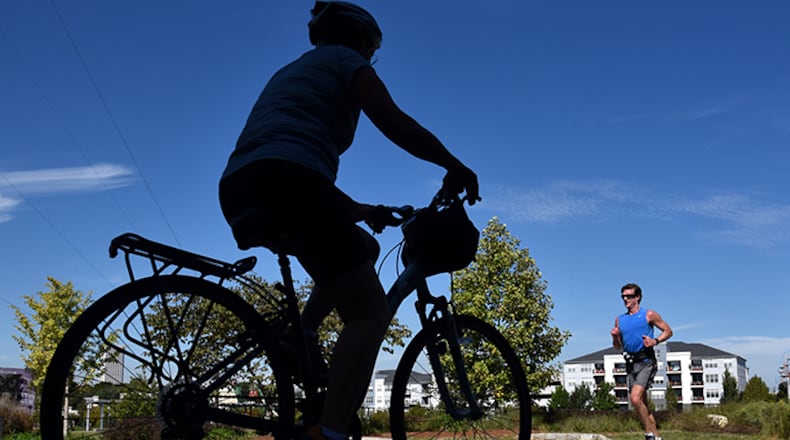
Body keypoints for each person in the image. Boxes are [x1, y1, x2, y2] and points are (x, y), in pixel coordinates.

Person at [218, 2, 479, 440]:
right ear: (362, 41)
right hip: (291, 182)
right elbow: (394, 122)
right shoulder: (346, 61)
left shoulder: (294, 71)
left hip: (245, 184)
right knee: (369, 315)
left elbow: (286, 158)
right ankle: (329, 432)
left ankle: (302, 333)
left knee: (366, 246)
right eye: (371, 51)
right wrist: (453, 164)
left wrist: (361, 211)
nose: (370, 58)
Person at [610, 283, 673, 440]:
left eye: (629, 296)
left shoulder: (649, 314)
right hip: (631, 364)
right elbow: (617, 346)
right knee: (642, 403)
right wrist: (615, 337)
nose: (626, 299)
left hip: (646, 361)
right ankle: (657, 437)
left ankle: (649, 434)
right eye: (623, 297)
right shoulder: (619, 320)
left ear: (637, 297)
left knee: (635, 398)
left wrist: (655, 341)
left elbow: (668, 331)